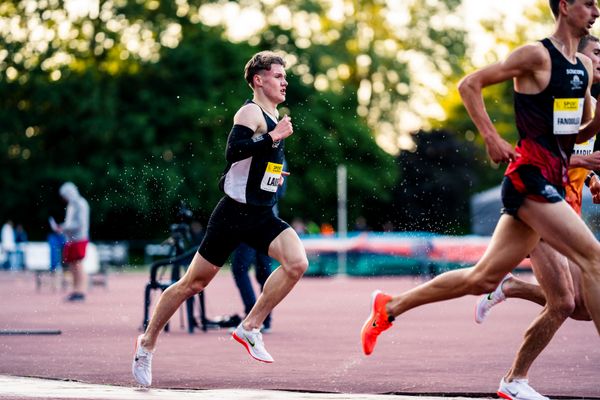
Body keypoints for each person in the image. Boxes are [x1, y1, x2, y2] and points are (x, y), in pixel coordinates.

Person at [361, 2, 600, 400]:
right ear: (563, 6)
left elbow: (571, 135)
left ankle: (388, 307)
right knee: (593, 259)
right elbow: (469, 84)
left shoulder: (582, 70)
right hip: (529, 178)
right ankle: (515, 379)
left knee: (482, 279)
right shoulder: (536, 54)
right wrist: (491, 136)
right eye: (587, 2)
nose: (595, 9)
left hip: (551, 183)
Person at [132, 51, 309, 387]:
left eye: (285, 76)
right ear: (259, 79)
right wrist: (273, 137)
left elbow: (255, 161)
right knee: (192, 284)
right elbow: (234, 151)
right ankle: (147, 343)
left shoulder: (275, 116)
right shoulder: (250, 112)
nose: (285, 81)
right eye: (277, 75)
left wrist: (273, 174)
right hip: (232, 214)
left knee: (297, 264)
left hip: (260, 214)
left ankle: (250, 327)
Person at [473, 35, 600, 399]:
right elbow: (546, 152)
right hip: (538, 200)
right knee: (564, 302)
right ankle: (514, 381)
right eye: (595, 53)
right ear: (579, 59)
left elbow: (573, 153)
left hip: (565, 206)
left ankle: (509, 287)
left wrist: (591, 177)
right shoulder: (564, 95)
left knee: (581, 309)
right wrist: (583, 162)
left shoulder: (587, 105)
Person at [51, 182, 90, 302]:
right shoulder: (72, 204)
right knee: (72, 265)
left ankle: (81, 291)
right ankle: (75, 290)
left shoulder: (80, 203)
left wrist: (63, 228)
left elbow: (80, 224)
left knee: (78, 264)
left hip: (79, 238)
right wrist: (64, 227)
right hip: (72, 239)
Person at [231, 243, 274, 331]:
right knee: (264, 271)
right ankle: (264, 318)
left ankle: (252, 317)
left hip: (248, 230)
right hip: (268, 230)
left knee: (240, 269)